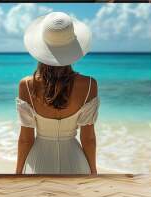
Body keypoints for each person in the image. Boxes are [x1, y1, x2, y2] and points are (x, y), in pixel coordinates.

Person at [15, 12, 99, 174]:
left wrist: (18, 173)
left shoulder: (26, 85)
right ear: (73, 49)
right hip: (75, 163)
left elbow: (26, 140)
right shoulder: (89, 84)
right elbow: (88, 139)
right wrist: (93, 172)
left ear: (40, 48)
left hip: (38, 163)